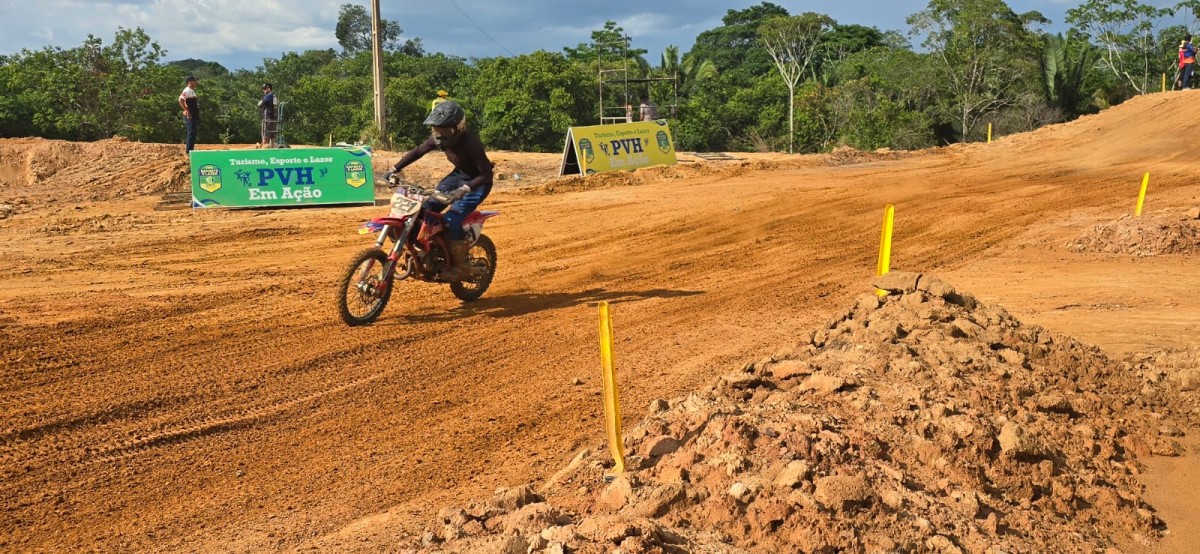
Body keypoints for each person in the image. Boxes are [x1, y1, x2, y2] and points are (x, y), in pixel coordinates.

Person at [384, 100, 493, 282]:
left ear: (458, 128)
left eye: (444, 130)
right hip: (458, 176)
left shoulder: (471, 143)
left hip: (477, 183)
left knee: (452, 220)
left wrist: (464, 189)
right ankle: (428, 250)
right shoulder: (438, 138)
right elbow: (418, 151)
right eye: (436, 129)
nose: (439, 134)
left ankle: (461, 267)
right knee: (424, 210)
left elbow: (486, 174)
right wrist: (394, 169)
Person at [178, 75, 199, 155]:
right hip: (189, 115)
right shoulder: (187, 90)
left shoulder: (191, 90)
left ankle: (190, 150)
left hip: (193, 114)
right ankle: (189, 152)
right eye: (194, 81)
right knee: (191, 132)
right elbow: (180, 99)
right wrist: (187, 110)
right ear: (190, 82)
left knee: (193, 132)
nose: (196, 82)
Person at [258, 83, 278, 148]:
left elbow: (259, 104)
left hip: (268, 119)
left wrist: (262, 101)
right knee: (273, 137)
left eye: (264, 89)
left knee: (265, 136)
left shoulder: (268, 96)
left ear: (269, 89)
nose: (263, 90)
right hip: (274, 119)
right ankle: (273, 149)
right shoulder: (274, 96)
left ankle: (264, 149)